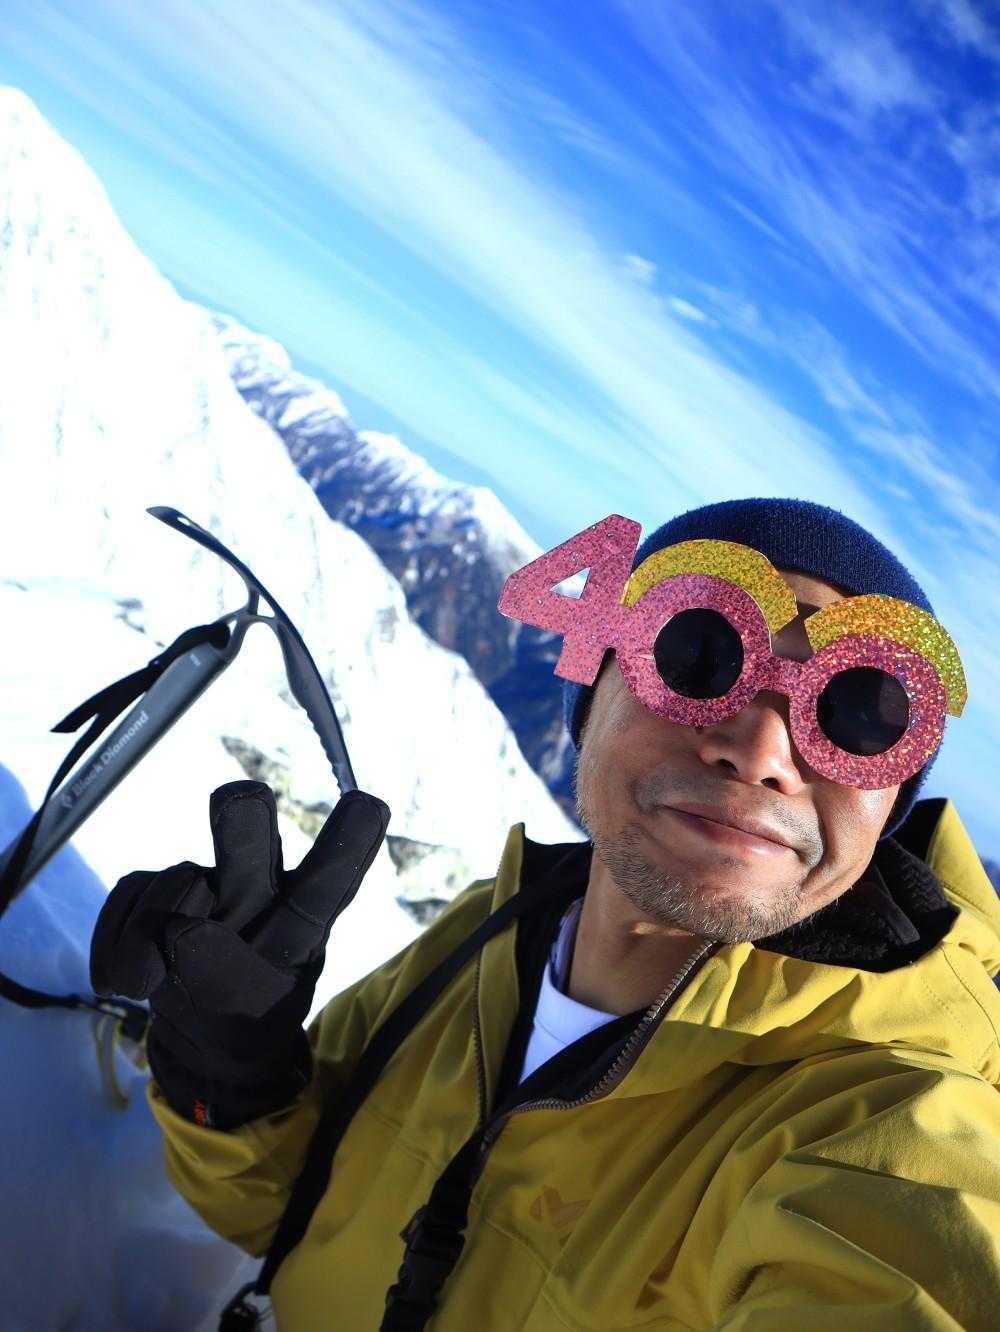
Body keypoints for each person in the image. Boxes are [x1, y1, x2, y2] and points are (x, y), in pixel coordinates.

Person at [91, 498, 1000, 1331]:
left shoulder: (887, 1122)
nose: (763, 749)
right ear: (591, 688)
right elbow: (276, 1213)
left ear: (890, 804)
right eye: (698, 653)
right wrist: (229, 1067)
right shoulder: (488, 936)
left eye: (859, 715)